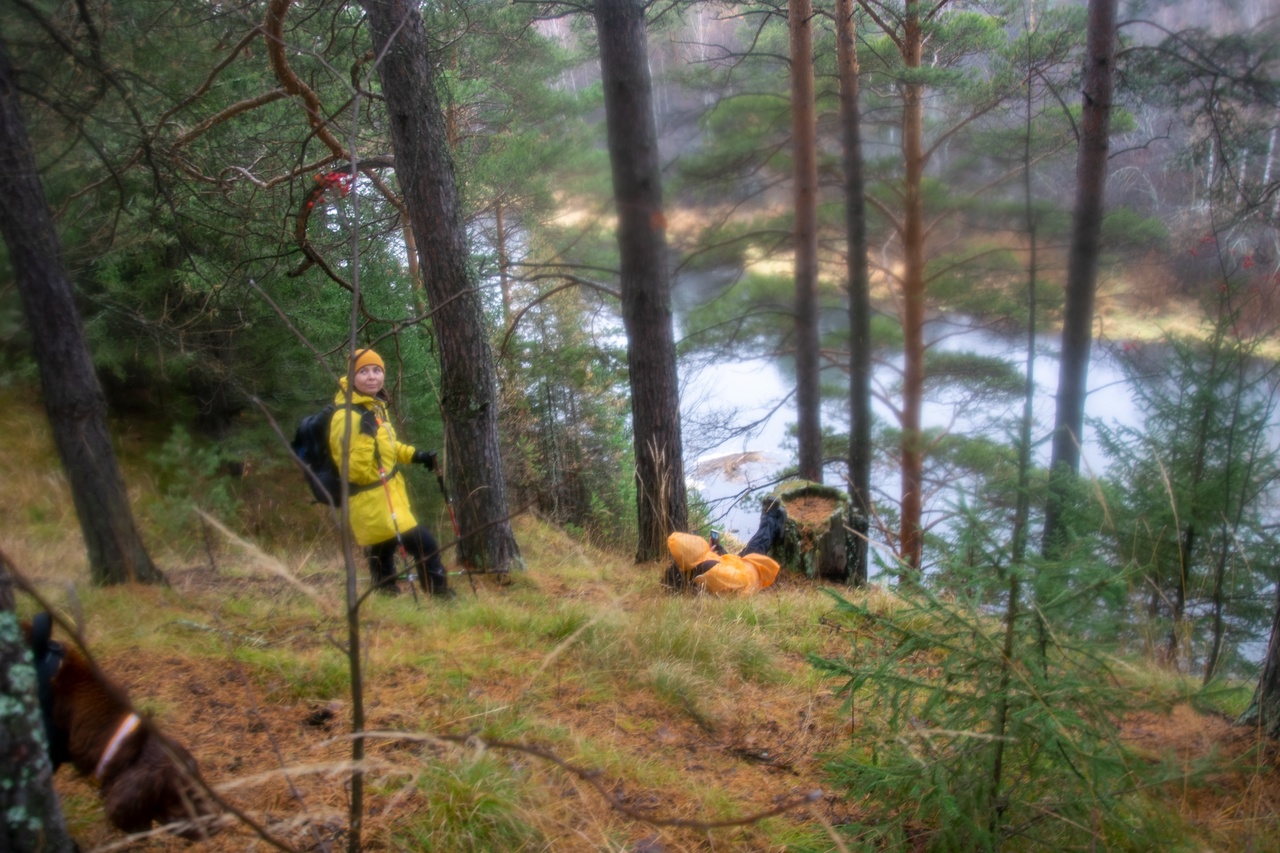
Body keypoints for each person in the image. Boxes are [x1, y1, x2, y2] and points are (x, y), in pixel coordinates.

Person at [329, 348, 453, 598]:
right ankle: (440, 595)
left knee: (382, 549)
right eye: (363, 371)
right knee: (423, 543)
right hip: (372, 500)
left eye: (377, 370)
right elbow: (353, 471)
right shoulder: (345, 417)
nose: (371, 376)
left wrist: (415, 456)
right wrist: (365, 435)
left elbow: (388, 448)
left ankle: (385, 593)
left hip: (388, 495)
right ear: (351, 377)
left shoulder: (374, 408)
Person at [662, 496, 787, 595]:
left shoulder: (692, 566)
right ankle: (769, 517)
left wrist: (715, 553)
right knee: (758, 544)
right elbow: (738, 580)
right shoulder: (711, 571)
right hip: (748, 576)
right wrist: (717, 557)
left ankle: (774, 524)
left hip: (736, 566)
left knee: (755, 544)